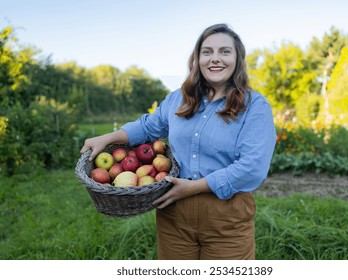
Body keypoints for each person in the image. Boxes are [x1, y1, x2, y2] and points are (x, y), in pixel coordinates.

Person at [80, 23, 276, 260]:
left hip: (226, 217)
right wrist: (109, 137)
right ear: (197, 58)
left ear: (237, 59)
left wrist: (193, 187)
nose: (215, 59)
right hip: (173, 215)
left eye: (225, 51)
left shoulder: (254, 106)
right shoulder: (179, 99)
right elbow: (147, 127)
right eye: (207, 52)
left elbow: (253, 168)